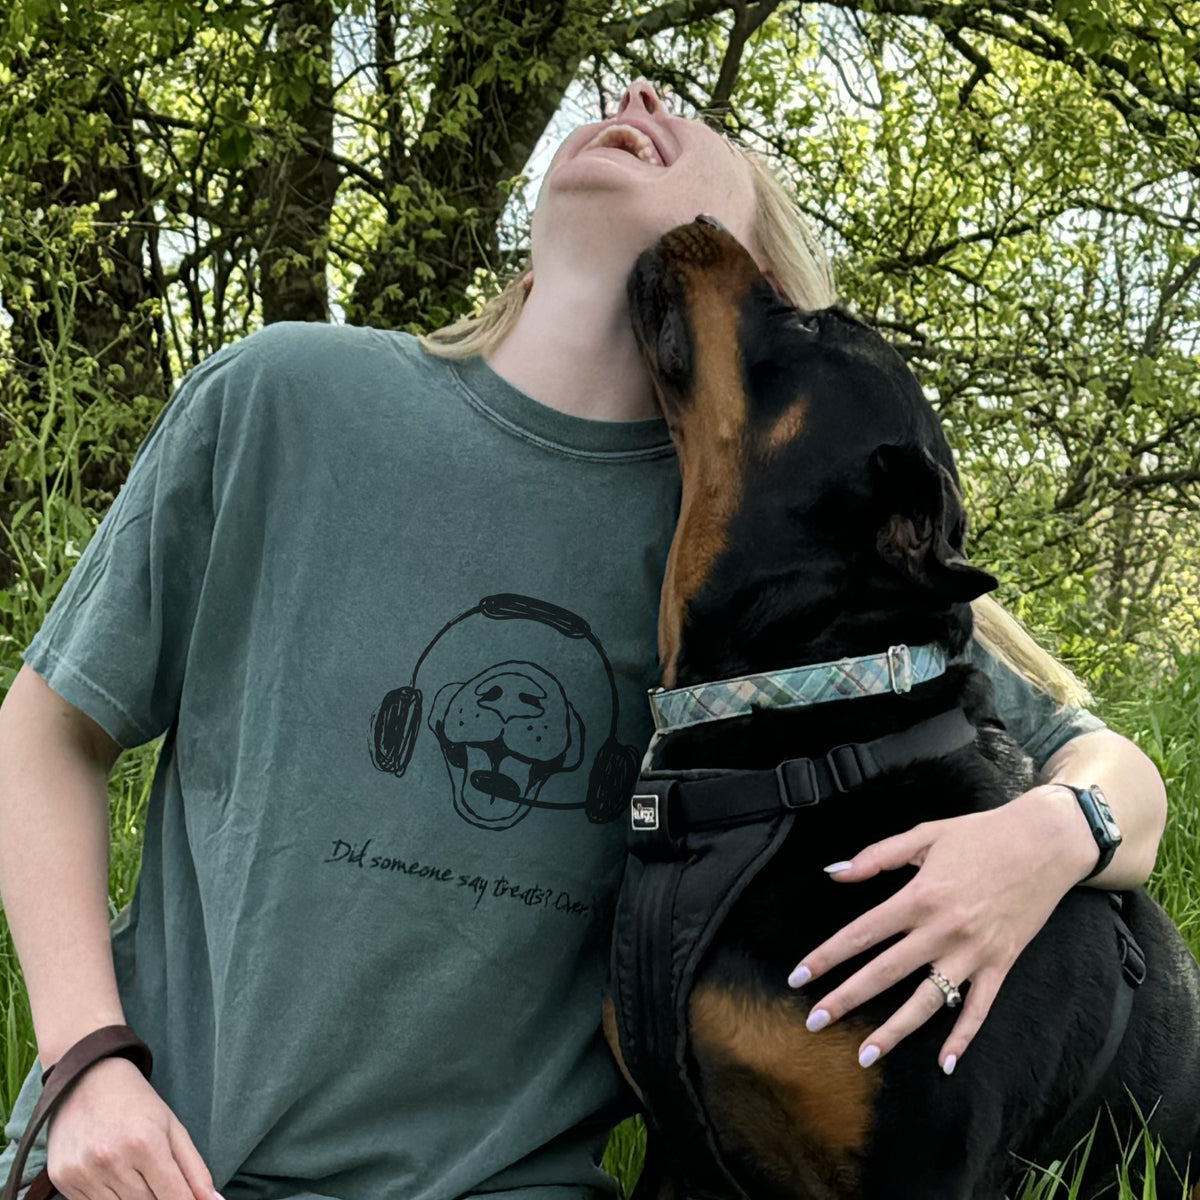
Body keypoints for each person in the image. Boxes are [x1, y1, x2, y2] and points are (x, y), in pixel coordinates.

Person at [0, 78, 1167, 1200]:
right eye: (618, 102)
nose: (640, 101)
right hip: (140, 1165)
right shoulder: (281, 398)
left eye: (697, 120)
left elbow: (1109, 766)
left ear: (757, 255)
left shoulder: (765, 576)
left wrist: (1056, 836)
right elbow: (44, 735)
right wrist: (88, 1065)